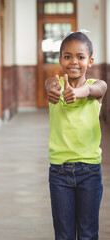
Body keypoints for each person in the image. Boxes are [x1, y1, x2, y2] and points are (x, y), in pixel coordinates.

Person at [45, 30, 107, 240]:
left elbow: (95, 90)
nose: (74, 62)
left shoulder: (96, 86)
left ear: (90, 61)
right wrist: (55, 90)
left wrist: (77, 93)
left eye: (80, 57)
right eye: (68, 56)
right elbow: (49, 85)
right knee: (64, 234)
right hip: (59, 172)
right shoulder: (54, 86)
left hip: (89, 171)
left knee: (88, 233)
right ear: (61, 59)